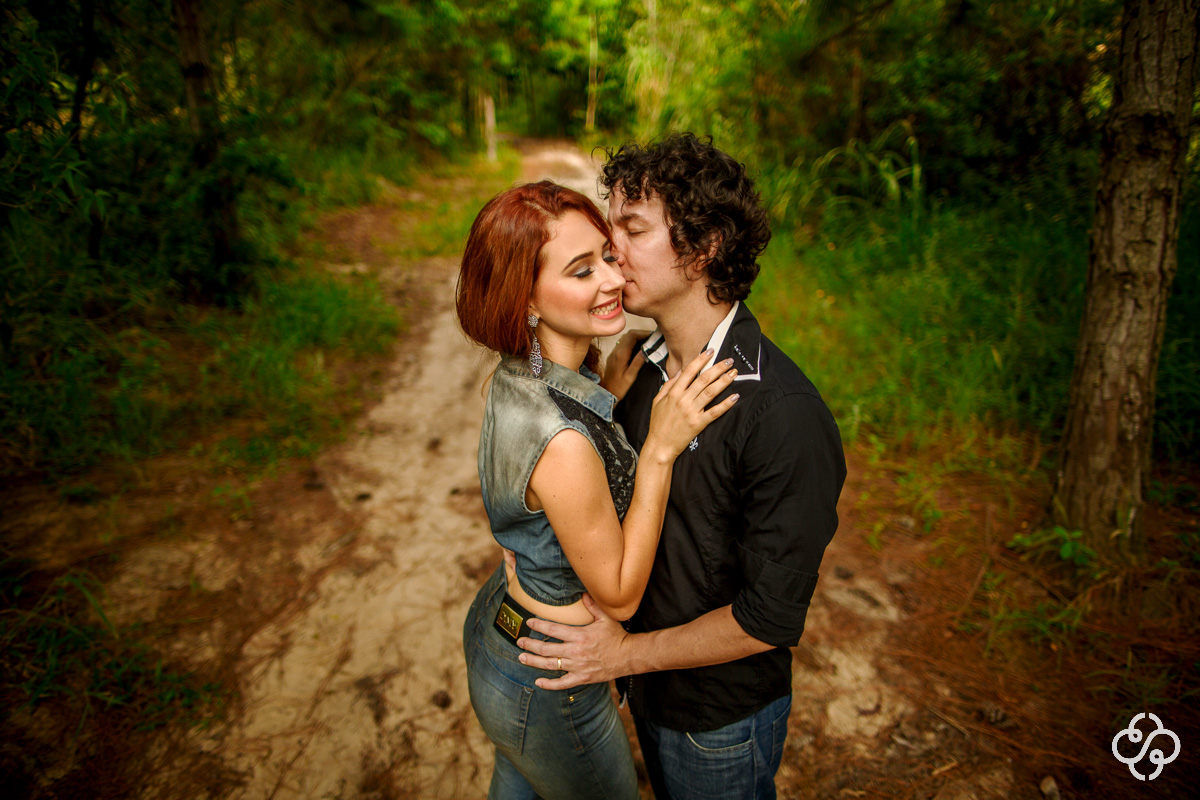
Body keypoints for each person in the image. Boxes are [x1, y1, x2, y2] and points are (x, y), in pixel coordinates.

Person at [515, 134, 847, 800]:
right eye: (611, 228)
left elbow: (766, 620)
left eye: (632, 230)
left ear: (705, 246)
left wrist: (621, 656)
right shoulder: (639, 369)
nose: (612, 250)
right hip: (644, 686)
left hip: (716, 720)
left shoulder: (783, 416)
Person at [456, 179, 741, 800]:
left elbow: (530, 489)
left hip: (502, 633)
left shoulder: (523, 377)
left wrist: (602, 399)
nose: (612, 281)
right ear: (525, 301)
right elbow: (616, 596)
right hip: (550, 679)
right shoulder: (563, 441)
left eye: (608, 257)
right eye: (582, 272)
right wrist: (659, 452)